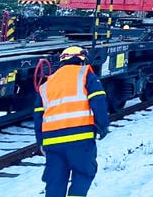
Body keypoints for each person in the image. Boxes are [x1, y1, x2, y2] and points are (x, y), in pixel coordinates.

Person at [34, 46, 110, 197]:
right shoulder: (85, 74)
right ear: (81, 59)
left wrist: (41, 142)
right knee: (83, 174)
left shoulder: (47, 84)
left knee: (55, 181)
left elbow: (38, 116)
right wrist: (103, 126)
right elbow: (98, 100)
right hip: (80, 139)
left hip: (52, 143)